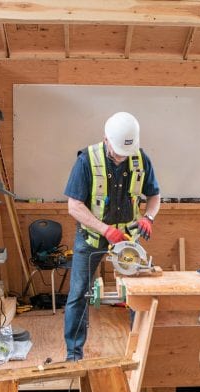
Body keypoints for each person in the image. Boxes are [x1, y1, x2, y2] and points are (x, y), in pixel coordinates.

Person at [62, 112, 161, 361]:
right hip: (92, 237)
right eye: (117, 152)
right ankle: (74, 355)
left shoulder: (140, 158)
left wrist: (148, 218)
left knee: (135, 292)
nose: (120, 158)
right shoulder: (87, 160)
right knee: (78, 294)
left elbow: (155, 196)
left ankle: (138, 352)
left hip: (127, 239)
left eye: (125, 154)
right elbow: (74, 206)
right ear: (106, 139)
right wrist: (105, 229)